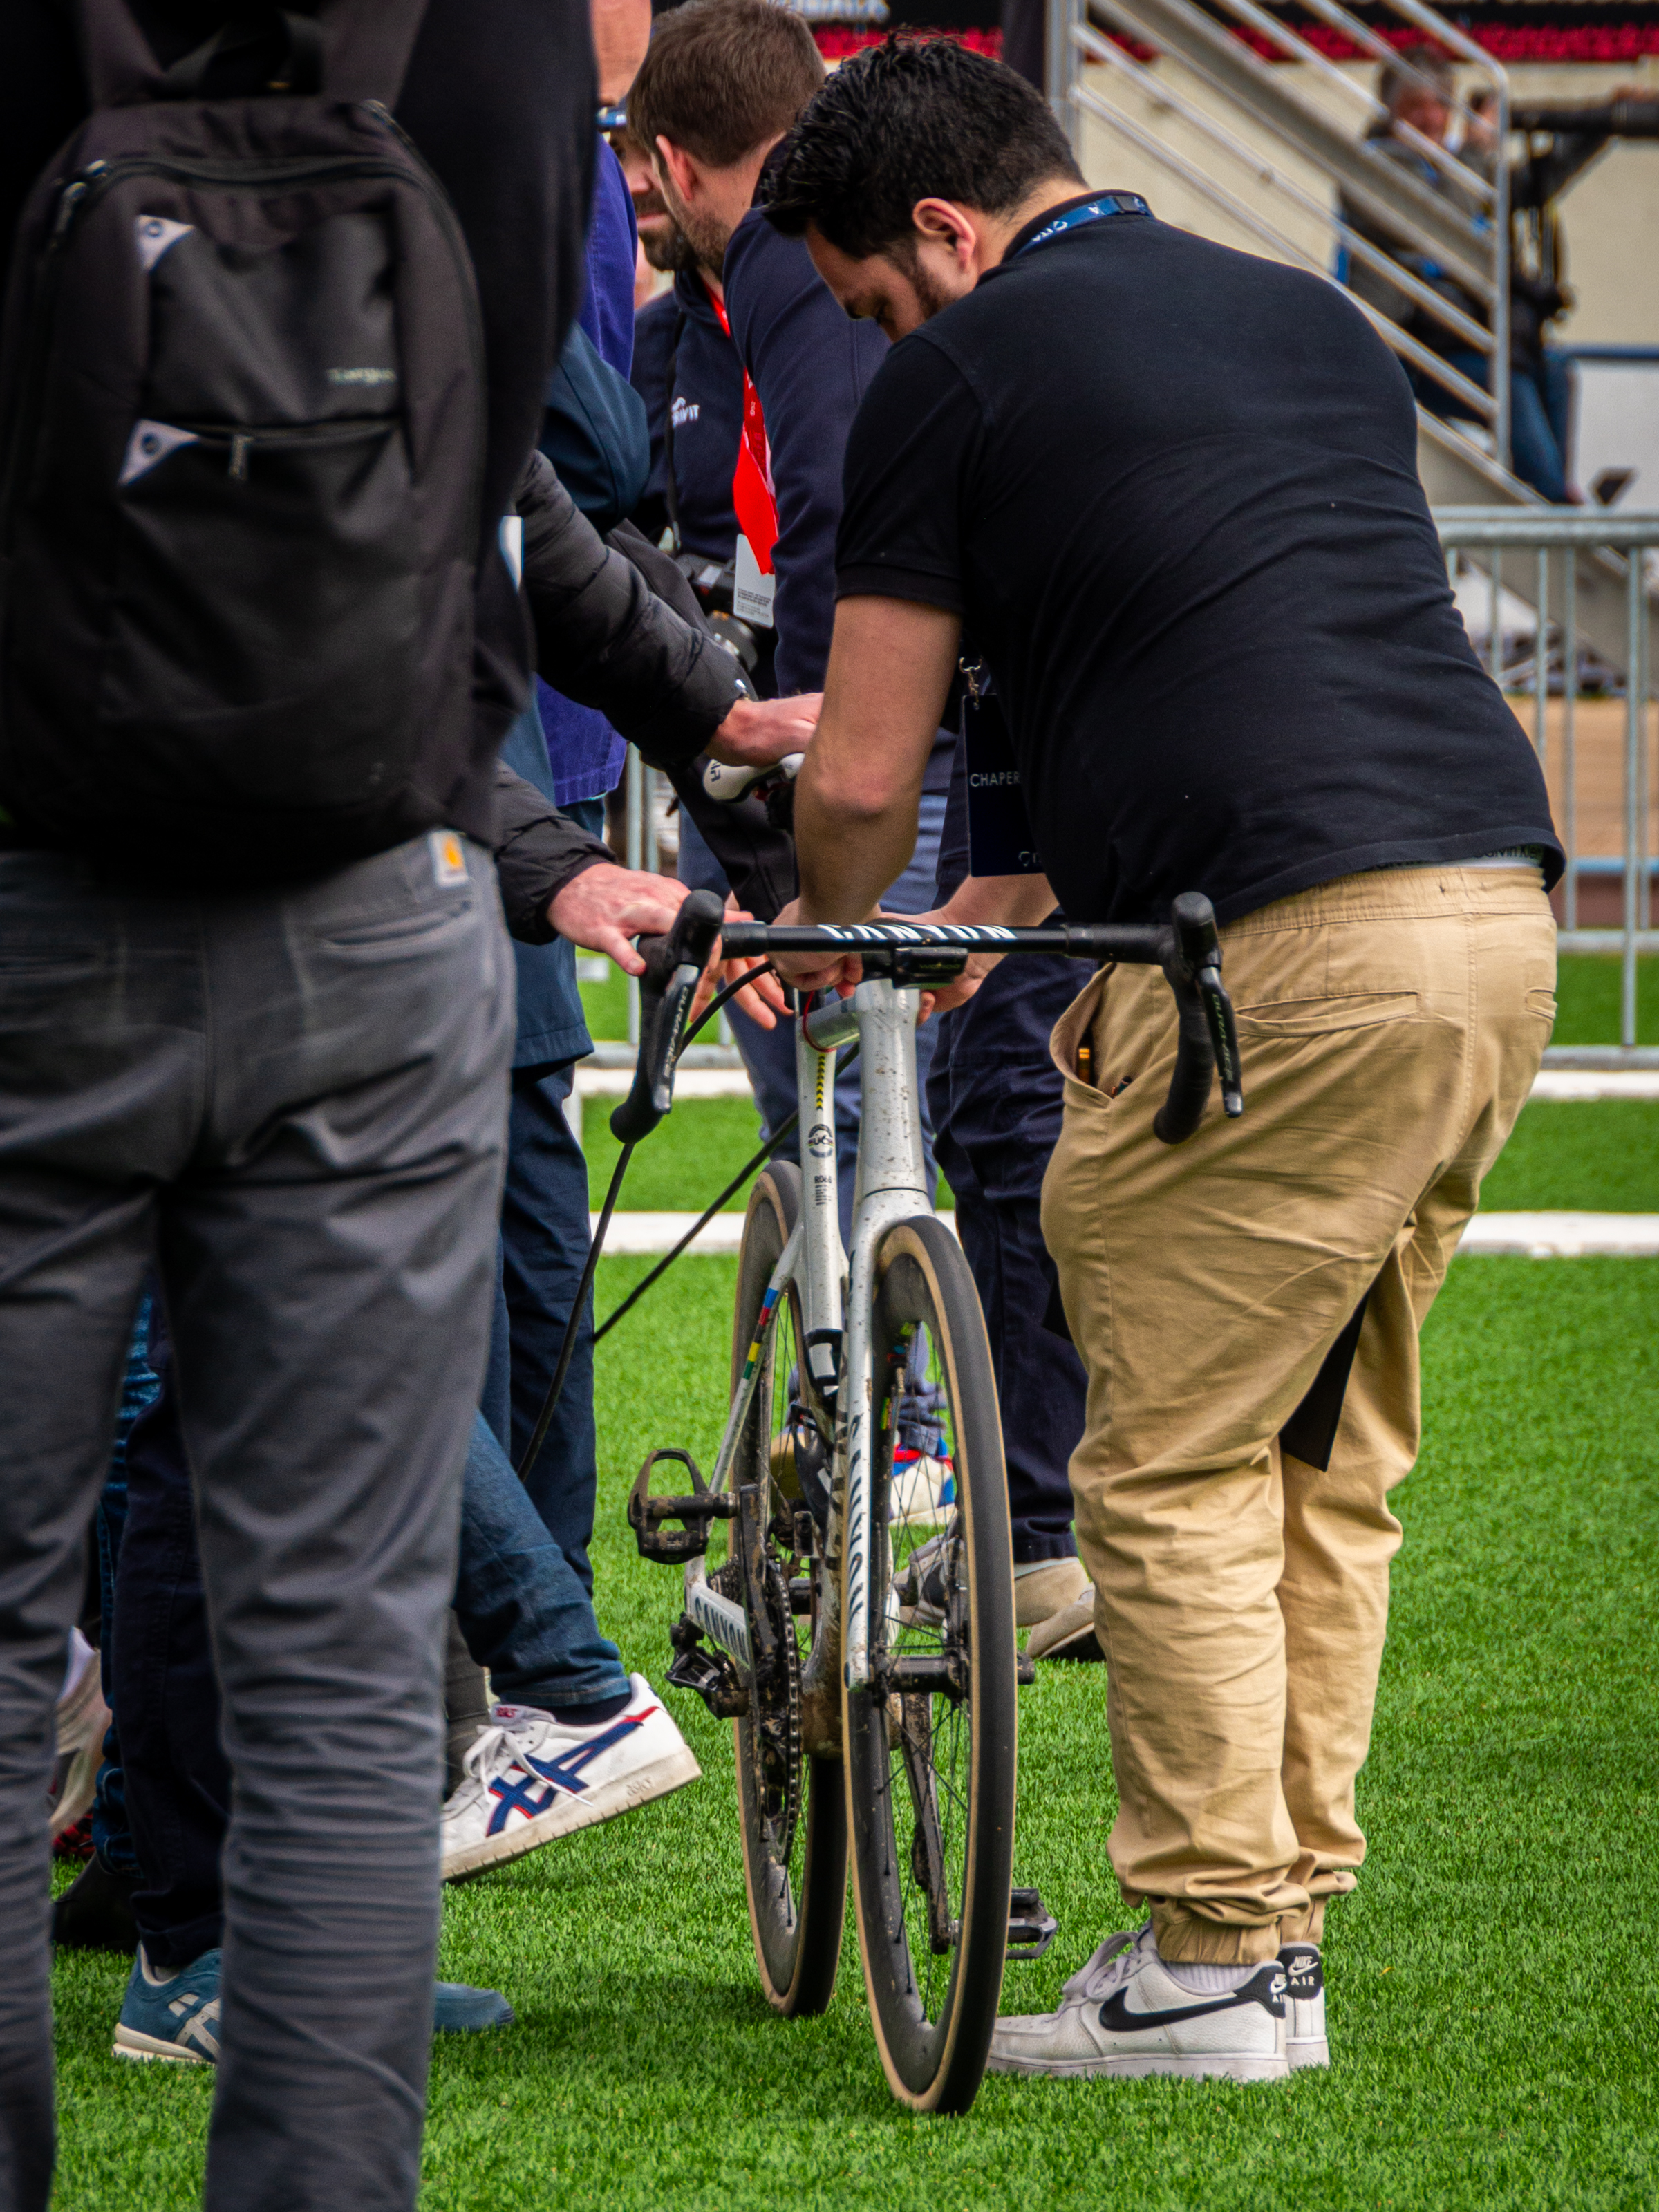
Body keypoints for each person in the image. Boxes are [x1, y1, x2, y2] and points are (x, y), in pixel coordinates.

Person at [0, 7, 794, 2203]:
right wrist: (695, 710)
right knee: (346, 1656)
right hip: (382, 875)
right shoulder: (505, 32)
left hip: (36, 870)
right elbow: (495, 449)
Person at [762, 36, 1561, 2083]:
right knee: (1323, 1464)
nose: (874, 338)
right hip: (1488, 909)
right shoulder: (1299, 314)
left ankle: (1209, 1961)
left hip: (1282, 956)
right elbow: (1219, 645)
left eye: (865, 299)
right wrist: (1025, 897)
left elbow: (861, 776)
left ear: (942, 232)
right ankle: (1270, 1938)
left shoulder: (959, 369)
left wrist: (823, 906)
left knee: (1165, 1457)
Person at [630, 0, 1094, 1627]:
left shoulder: (800, 276)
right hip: (964, 765)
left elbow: (841, 557)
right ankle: (969, 1492)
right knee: (929, 1122)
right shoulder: (774, 282)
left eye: (875, 306)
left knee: (905, 1111)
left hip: (882, 755)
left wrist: (790, 874)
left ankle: (945, 1483)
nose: (874, 332)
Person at [1340, 48, 1577, 503]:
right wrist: (1473, 150)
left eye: (1441, 105)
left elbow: (1532, 185)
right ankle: (1554, 507)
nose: (1432, 118)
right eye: (1416, 107)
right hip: (1415, 351)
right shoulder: (1372, 167)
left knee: (1558, 369)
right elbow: (1439, 223)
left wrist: (1600, 127)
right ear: (1390, 112)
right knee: (1509, 382)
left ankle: (1549, 494)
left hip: (1468, 339)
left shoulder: (1455, 166)